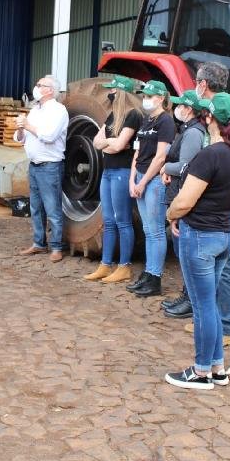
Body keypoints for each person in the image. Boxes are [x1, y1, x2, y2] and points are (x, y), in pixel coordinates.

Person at [164, 92, 230, 390]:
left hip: (200, 238)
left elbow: (185, 202)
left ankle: (201, 370)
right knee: (211, 305)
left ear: (209, 119)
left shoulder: (209, 156)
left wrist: (170, 214)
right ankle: (217, 368)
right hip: (223, 237)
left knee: (203, 307)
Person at [189, 61, 230, 346]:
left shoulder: (225, 112)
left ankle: (225, 325)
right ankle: (208, 319)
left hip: (218, 195)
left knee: (226, 260)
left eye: (197, 81)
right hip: (212, 190)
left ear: (203, 84)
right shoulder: (224, 109)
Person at [84, 76, 143, 283]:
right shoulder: (112, 116)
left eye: (113, 91)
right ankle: (105, 264)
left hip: (122, 172)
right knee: (108, 221)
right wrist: (112, 142)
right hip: (108, 173)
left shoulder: (133, 116)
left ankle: (124, 266)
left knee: (122, 221)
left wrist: (109, 144)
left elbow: (118, 146)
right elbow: (96, 142)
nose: (111, 94)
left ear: (121, 93)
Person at [160, 90, 208, 317]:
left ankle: (191, 300)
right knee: (182, 253)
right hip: (178, 191)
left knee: (185, 253)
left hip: (183, 194)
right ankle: (186, 294)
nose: (177, 108)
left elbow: (186, 166)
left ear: (188, 109)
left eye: (181, 105)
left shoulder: (192, 134)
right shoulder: (189, 130)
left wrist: (166, 168)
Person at [126, 79, 175, 296]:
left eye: (149, 96)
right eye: (144, 96)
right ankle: (147, 273)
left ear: (161, 98)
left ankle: (154, 278)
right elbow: (137, 152)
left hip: (153, 181)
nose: (145, 99)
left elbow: (161, 157)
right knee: (147, 230)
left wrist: (143, 181)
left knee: (155, 231)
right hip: (140, 179)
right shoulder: (146, 120)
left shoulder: (166, 122)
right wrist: (132, 180)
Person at [14, 74, 69, 263]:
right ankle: (39, 243)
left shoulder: (59, 111)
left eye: (40, 85)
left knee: (52, 208)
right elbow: (20, 138)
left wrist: (27, 125)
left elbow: (49, 136)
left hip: (50, 166)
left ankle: (56, 247)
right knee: (36, 207)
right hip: (34, 165)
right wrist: (21, 128)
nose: (36, 87)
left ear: (50, 90)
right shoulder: (35, 109)